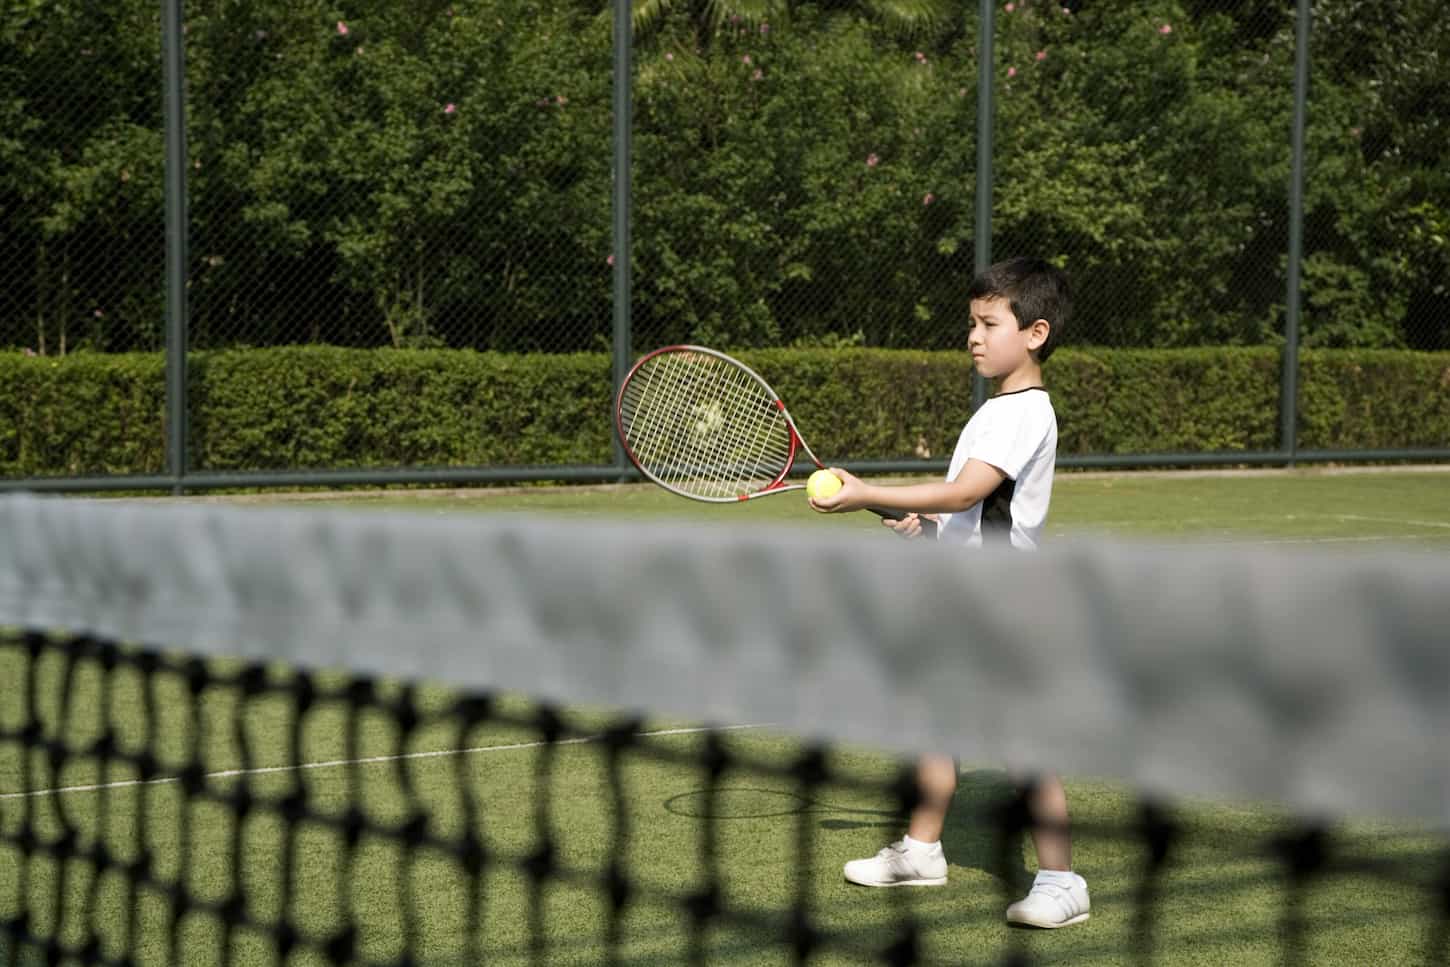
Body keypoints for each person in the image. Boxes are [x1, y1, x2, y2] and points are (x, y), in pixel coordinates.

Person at [808, 256, 1089, 929]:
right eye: (971, 322)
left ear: (1035, 333)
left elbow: (967, 490)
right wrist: (928, 525)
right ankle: (923, 851)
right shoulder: (996, 411)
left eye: (990, 323)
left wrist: (870, 492)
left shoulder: (1025, 412)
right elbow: (971, 511)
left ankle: (1062, 880)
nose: (973, 335)